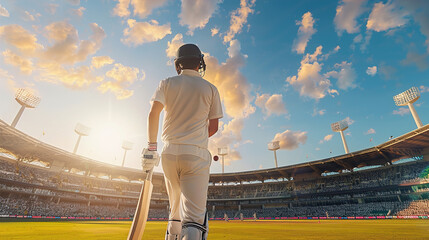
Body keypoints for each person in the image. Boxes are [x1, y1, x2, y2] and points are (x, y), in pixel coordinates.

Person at [142, 44, 223, 240]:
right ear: (199, 63)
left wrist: (152, 148)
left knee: (175, 213)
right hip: (195, 154)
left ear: (178, 64)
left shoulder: (167, 82)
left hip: (169, 155)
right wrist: (195, 137)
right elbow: (213, 127)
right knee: (194, 221)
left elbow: (153, 114)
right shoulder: (211, 88)